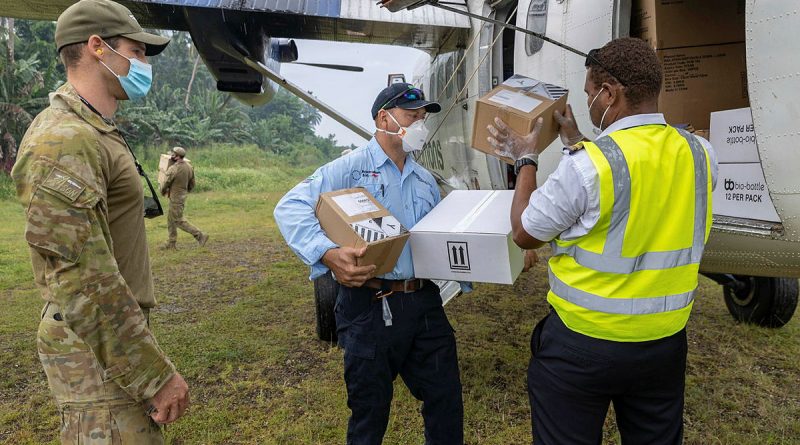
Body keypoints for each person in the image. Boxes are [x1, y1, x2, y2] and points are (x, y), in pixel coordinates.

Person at [487, 37, 718, 444]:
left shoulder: (587, 167)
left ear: (610, 94)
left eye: (591, 93)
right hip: (663, 345)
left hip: (583, 345)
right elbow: (635, 184)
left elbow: (524, 233)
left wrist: (525, 159)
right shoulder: (700, 153)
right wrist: (574, 140)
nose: (590, 101)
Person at [11, 1, 190, 443]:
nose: (143, 63)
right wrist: (153, 374)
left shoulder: (96, 130)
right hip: (93, 346)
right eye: (138, 50)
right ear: (96, 47)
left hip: (107, 339)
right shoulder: (64, 138)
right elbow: (81, 278)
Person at [274, 83, 464, 445]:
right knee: (369, 410)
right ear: (385, 118)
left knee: (446, 398)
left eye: (423, 119)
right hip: (369, 305)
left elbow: (438, 240)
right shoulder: (350, 168)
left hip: (423, 301)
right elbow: (290, 207)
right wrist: (328, 253)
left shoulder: (425, 180)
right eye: (412, 117)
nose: (420, 126)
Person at [160, 146, 208, 250]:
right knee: (171, 219)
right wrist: (185, 191)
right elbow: (192, 184)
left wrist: (162, 191)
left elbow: (165, 183)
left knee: (178, 220)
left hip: (175, 198)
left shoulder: (174, 168)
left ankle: (200, 235)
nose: (172, 156)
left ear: (177, 157)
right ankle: (171, 242)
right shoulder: (189, 167)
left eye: (173, 154)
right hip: (182, 196)